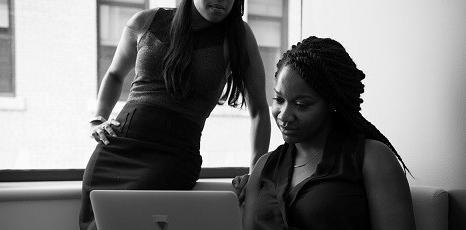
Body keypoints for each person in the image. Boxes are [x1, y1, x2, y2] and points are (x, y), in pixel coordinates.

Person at [80, 0, 271, 229]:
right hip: (116, 150)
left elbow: (259, 110)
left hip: (173, 157)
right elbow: (114, 74)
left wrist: (254, 177)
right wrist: (98, 119)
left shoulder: (237, 36)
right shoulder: (145, 21)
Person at [232, 36, 416, 230]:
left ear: (332, 104)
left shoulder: (372, 158)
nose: (284, 115)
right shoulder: (264, 166)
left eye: (301, 105)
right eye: (279, 99)